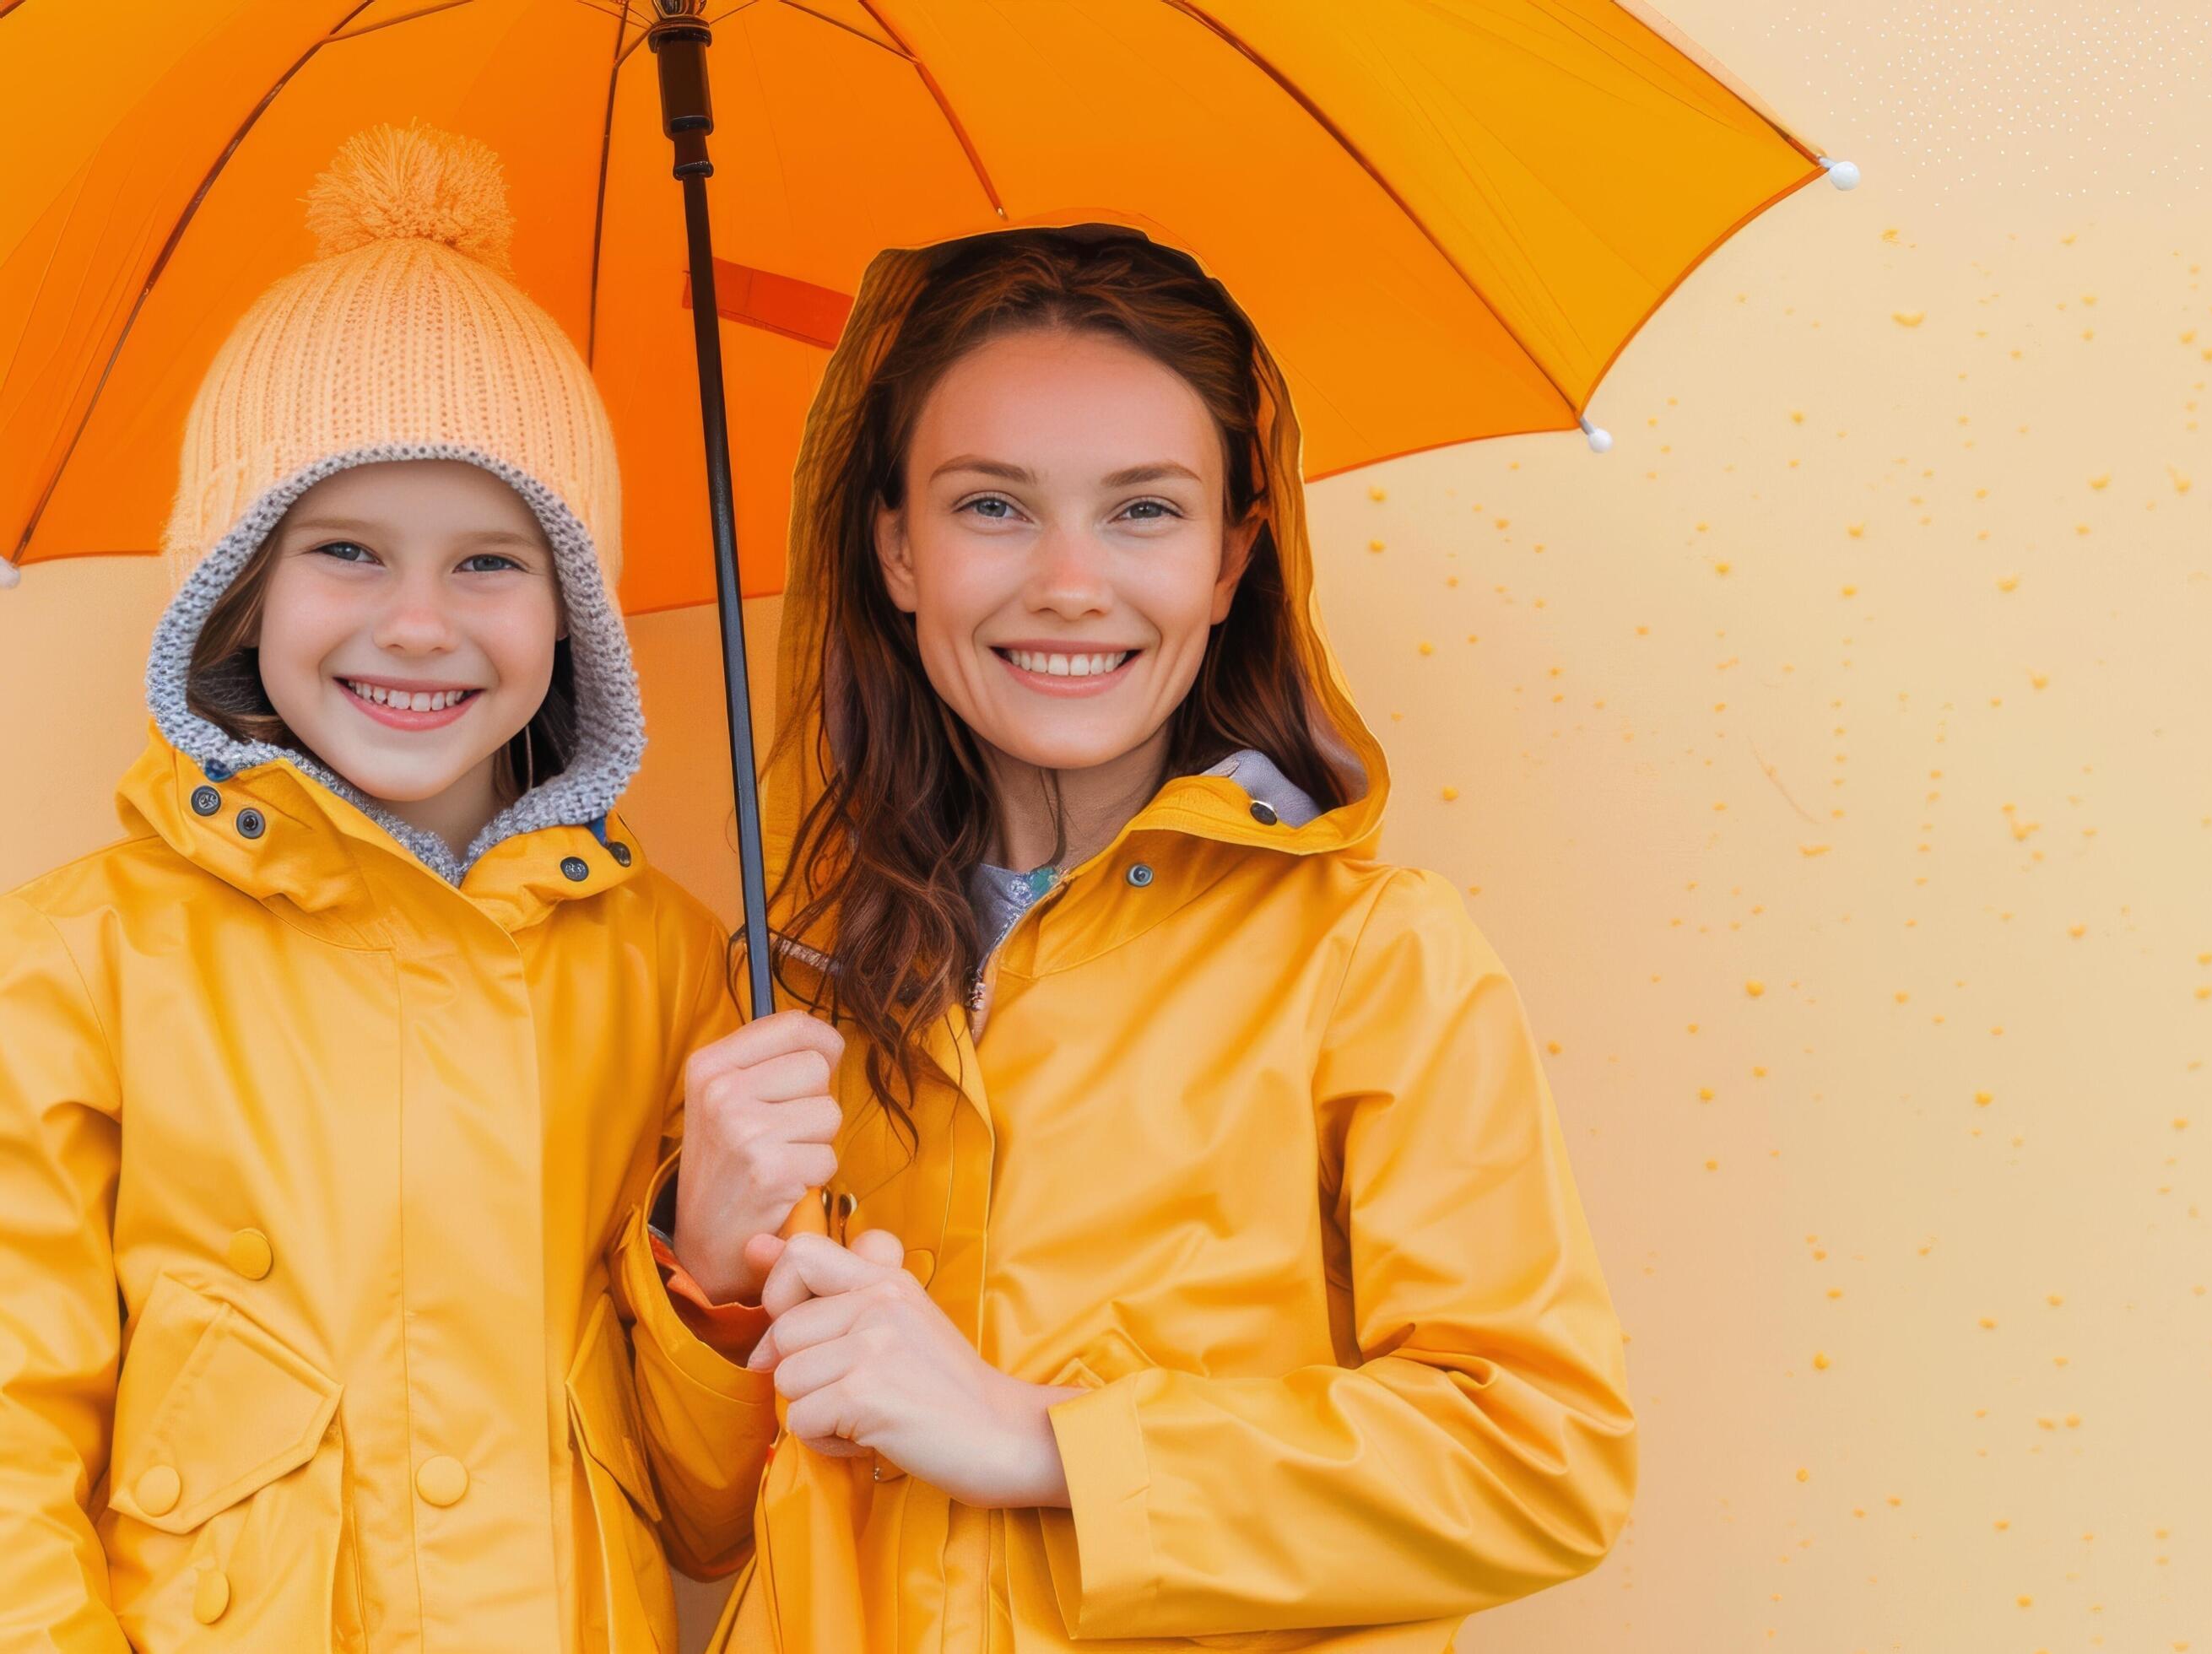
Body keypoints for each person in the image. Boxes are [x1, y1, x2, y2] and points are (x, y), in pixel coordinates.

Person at [641, 225, 1637, 1652]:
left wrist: (1043, 1440)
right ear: (895, 549)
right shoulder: (787, 988)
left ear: (1233, 558)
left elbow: (1538, 1464)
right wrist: (716, 1278)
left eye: (1144, 511)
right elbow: (696, 1522)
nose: (1066, 581)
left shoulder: (1372, 960)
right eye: (991, 507)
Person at [0, 126, 771, 1651]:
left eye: (492, 562)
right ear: (242, 589)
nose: (418, 625)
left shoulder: (674, 968)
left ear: (575, 617)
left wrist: (719, 1270)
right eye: (346, 550)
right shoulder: (79, 962)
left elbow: (708, 1517)